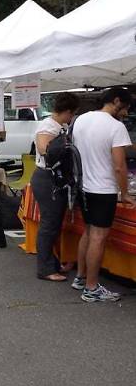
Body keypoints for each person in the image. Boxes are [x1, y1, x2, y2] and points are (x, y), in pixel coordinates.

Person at [72, 88, 134, 303]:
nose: (126, 112)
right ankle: (91, 288)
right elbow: (119, 166)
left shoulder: (81, 119)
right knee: (98, 237)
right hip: (103, 189)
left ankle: (80, 278)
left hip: (84, 186)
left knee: (88, 232)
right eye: (125, 107)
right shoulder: (116, 127)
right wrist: (124, 193)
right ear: (116, 101)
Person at [28, 93, 81, 282]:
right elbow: (44, 148)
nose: (72, 117)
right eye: (72, 113)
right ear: (67, 111)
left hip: (52, 179)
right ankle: (45, 269)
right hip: (47, 178)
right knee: (49, 224)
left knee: (54, 224)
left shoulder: (60, 126)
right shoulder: (49, 126)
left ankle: (54, 263)